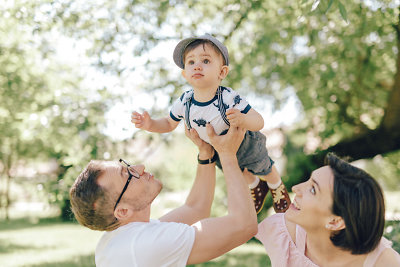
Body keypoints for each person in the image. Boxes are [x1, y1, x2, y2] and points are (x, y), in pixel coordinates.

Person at [131, 33, 291, 214]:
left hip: (246, 145)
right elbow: (168, 123)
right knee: (241, 174)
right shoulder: (185, 101)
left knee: (264, 167)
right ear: (185, 74)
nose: (197, 65)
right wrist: (150, 124)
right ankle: (257, 187)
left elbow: (259, 121)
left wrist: (243, 119)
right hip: (219, 151)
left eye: (206, 61)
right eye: (191, 62)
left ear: (222, 72)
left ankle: (276, 186)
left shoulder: (229, 97)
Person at [69, 124, 258, 267]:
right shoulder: (143, 245)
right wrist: (227, 154)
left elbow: (195, 209)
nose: (139, 167)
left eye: (126, 166)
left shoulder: (121, 237)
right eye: (127, 175)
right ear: (123, 210)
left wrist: (206, 153)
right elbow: (244, 226)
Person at [256, 153, 400, 267]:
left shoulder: (383, 262)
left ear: (335, 221)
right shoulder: (285, 235)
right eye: (309, 180)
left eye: (313, 189)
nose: (296, 188)